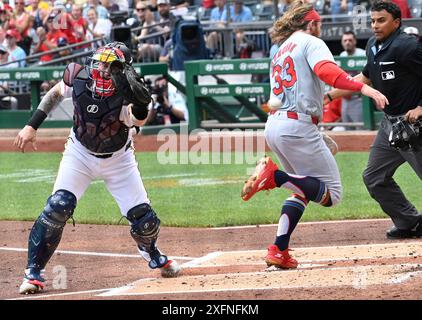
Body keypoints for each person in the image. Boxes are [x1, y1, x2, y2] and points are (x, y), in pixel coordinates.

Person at [14, 42, 181, 295]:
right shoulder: (79, 78)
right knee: (58, 206)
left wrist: (139, 102)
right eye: (100, 62)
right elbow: (55, 94)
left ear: (121, 70)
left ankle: (152, 253)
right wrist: (32, 125)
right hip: (79, 154)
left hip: (119, 160)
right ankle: (33, 272)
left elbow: (139, 119)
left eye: (109, 65)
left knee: (144, 221)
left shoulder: (128, 94)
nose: (102, 69)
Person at [241, 1, 388, 269]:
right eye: (318, 23)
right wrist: (364, 89)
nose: (320, 28)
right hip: (297, 127)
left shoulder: (282, 48)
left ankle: (279, 249)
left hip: (277, 125)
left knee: (303, 189)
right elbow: (327, 72)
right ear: (311, 23)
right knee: (332, 194)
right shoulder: (310, 41)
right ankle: (274, 177)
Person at [326, 0, 422, 239]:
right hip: (390, 125)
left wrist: (421, 107)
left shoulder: (407, 46)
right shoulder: (372, 45)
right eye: (372, 21)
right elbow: (365, 78)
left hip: (414, 125)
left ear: (397, 22)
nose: (375, 25)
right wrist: (328, 96)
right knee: (374, 177)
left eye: (381, 21)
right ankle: (410, 222)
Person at [339, 31, 366, 129]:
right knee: (347, 128)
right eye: (345, 40)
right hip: (345, 98)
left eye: (350, 40)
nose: (347, 42)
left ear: (355, 41)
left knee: (361, 130)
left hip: (358, 98)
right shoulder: (342, 55)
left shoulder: (362, 54)